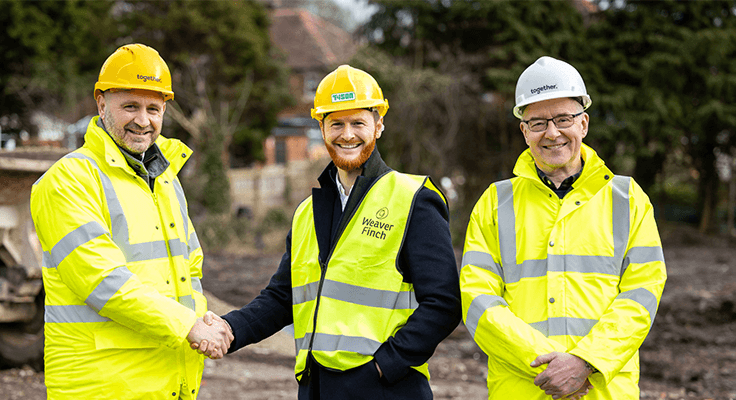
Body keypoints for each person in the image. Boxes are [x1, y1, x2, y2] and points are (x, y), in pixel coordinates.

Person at [195, 65, 462, 399]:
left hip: (386, 389)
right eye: (336, 123)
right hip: (317, 388)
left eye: (358, 123)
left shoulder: (413, 199)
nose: (347, 134)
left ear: (378, 126)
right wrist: (230, 328)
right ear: (321, 128)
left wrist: (384, 366)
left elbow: (444, 302)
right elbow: (283, 296)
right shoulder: (307, 212)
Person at [30, 43, 232, 399]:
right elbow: (103, 281)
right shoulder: (68, 181)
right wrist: (189, 326)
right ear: (101, 104)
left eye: (153, 108)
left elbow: (191, 268)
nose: (143, 120)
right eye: (130, 106)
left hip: (167, 383)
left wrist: (201, 320)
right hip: (102, 386)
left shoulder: (165, 178)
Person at [459, 56, 667, 399]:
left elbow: (642, 292)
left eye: (563, 119)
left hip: (602, 390)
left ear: (583, 124)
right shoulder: (495, 203)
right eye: (538, 122)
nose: (552, 132)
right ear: (524, 132)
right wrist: (549, 366)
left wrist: (586, 361)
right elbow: (478, 300)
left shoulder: (627, 199)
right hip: (524, 389)